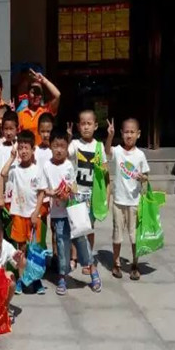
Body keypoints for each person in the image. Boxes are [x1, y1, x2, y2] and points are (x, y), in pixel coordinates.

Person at [38, 129, 102, 295]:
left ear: (67, 148)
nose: (59, 150)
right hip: (58, 214)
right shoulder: (46, 166)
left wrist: (69, 191)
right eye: (56, 146)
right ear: (50, 146)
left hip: (73, 212)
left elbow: (74, 186)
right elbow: (44, 189)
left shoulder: (69, 165)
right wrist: (53, 193)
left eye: (62, 146)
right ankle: (62, 276)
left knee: (82, 241)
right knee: (61, 244)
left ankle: (92, 270)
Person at [105, 118, 150, 280]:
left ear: (138, 134)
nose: (129, 135)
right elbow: (107, 151)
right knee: (117, 234)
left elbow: (146, 175)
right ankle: (116, 263)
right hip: (118, 201)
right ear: (121, 133)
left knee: (134, 236)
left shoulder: (140, 155)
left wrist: (142, 177)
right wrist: (110, 136)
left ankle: (135, 264)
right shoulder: (117, 151)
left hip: (134, 202)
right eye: (126, 132)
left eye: (132, 132)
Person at [0, 130, 43, 294]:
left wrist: (36, 213)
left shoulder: (37, 170)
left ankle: (36, 280)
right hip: (18, 214)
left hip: (33, 216)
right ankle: (21, 279)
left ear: (33, 150)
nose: (23, 151)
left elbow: (41, 193)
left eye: (27, 148)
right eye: (21, 148)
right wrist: (12, 157)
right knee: (21, 249)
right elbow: (2, 174)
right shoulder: (15, 169)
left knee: (35, 250)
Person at [68, 110, 107, 274]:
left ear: (95, 126)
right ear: (78, 126)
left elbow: (104, 169)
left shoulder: (99, 146)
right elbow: (66, 156)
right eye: (83, 124)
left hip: (92, 193)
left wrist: (106, 193)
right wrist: (68, 137)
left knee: (89, 227)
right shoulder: (74, 144)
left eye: (89, 124)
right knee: (76, 227)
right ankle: (74, 257)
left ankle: (88, 259)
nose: (86, 127)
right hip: (77, 191)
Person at [18, 69, 61, 146]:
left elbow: (57, 95)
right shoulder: (21, 114)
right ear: (28, 94)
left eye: (39, 93)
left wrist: (44, 80)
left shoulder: (46, 111)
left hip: (45, 150)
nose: (36, 96)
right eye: (33, 92)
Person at [35, 113, 55, 255]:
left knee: (55, 226)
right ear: (38, 131)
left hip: (54, 194)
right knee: (41, 224)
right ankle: (40, 252)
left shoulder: (56, 150)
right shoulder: (35, 150)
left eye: (49, 131)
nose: (46, 134)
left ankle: (56, 255)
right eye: (43, 131)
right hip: (41, 194)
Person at [0, 110, 20, 210]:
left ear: (17, 129)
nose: (8, 132)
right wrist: (0, 198)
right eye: (6, 129)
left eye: (11, 129)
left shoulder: (21, 145)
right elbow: (0, 176)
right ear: (2, 129)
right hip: (8, 197)